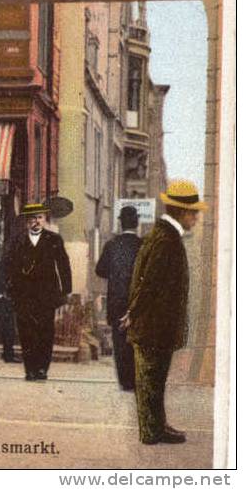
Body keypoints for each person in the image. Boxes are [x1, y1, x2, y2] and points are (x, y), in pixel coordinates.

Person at [119, 180, 206, 445]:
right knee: (150, 381)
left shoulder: (164, 235)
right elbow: (149, 282)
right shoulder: (166, 239)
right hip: (153, 326)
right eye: (194, 212)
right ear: (182, 212)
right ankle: (150, 432)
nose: (196, 217)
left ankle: (157, 426)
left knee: (154, 380)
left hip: (157, 325)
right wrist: (133, 312)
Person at [4, 202, 72, 381]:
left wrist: (66, 291)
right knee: (26, 332)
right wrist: (9, 289)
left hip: (46, 294)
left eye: (40, 218)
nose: (36, 221)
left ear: (45, 220)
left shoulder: (54, 239)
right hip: (23, 294)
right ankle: (30, 369)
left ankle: (42, 368)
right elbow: (8, 266)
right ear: (27, 221)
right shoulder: (17, 240)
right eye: (32, 218)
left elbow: (63, 265)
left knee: (45, 331)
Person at [95, 205, 142, 391]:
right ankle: (136, 378)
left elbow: (100, 270)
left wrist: (115, 274)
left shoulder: (111, 245)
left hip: (116, 302)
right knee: (137, 341)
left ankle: (125, 381)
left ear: (120, 223)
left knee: (119, 341)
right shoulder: (143, 245)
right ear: (137, 223)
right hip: (137, 303)